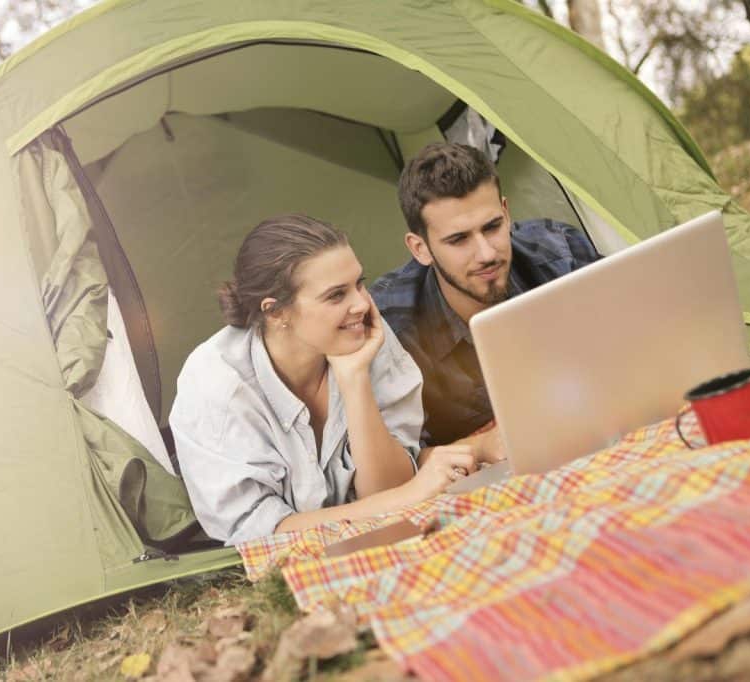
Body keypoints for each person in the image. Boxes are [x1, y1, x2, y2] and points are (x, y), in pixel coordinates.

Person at [170, 214, 478, 545]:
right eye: (336, 295)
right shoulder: (216, 385)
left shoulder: (361, 333)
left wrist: (354, 379)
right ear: (275, 311)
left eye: (359, 283)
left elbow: (388, 488)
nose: (361, 304)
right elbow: (259, 536)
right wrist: (405, 497)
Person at [371, 142, 602, 453]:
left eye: (492, 227)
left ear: (506, 213)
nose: (486, 254)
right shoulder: (392, 324)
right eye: (458, 239)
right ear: (420, 248)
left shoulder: (561, 251)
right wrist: (479, 445)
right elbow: (401, 458)